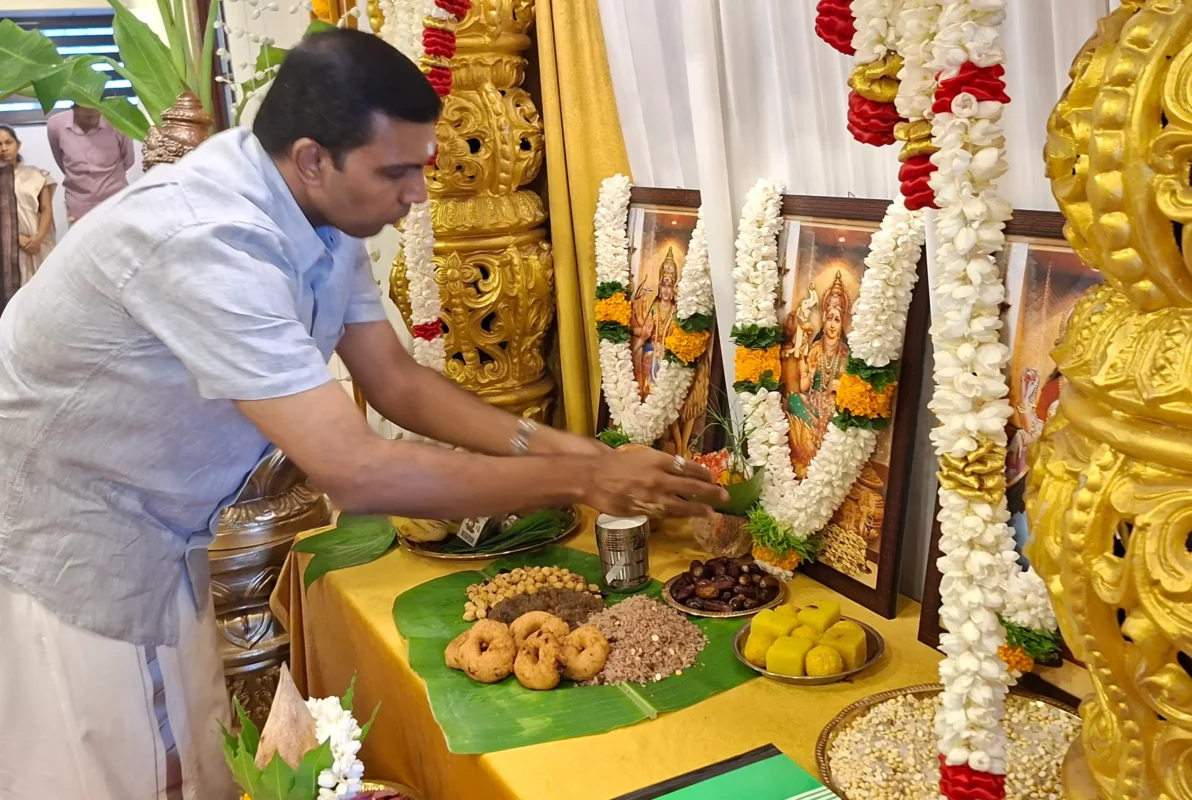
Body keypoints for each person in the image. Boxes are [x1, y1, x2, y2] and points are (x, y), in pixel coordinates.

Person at [0, 30, 724, 800]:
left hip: (159, 534)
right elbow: (355, 470)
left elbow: (395, 383)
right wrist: (586, 480)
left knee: (199, 768)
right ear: (314, 157)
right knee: (128, 779)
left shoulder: (315, 211)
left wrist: (568, 451)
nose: (417, 193)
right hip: (73, 548)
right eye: (397, 170)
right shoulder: (208, 240)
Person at [785, 270, 852, 474]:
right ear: (824, 317)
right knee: (794, 400)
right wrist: (805, 372)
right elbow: (805, 388)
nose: (832, 324)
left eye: (837, 320)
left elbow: (848, 391)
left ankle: (817, 440)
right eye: (830, 318)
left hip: (833, 408)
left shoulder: (846, 354)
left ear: (843, 323)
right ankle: (813, 432)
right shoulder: (815, 349)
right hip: (812, 405)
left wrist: (839, 388)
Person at [47, 102, 134, 224]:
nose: (93, 118)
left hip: (116, 198)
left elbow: (128, 160)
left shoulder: (116, 121)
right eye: (87, 115)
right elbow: (62, 161)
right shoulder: (56, 124)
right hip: (79, 203)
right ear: (75, 109)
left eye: (96, 113)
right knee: (82, 242)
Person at [0, 124, 56, 313]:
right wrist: (16, 238)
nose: (4, 148)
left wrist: (38, 238)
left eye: (8, 142)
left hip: (37, 246)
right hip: (7, 248)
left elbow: (47, 210)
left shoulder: (37, 175)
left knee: (39, 298)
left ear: (18, 145)